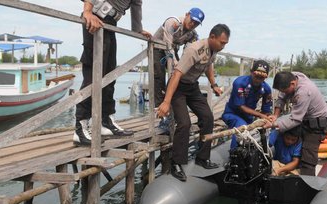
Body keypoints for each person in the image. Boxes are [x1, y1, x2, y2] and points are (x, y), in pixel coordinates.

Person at [156, 24, 229, 181]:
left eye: (225, 44)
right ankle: (176, 163)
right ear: (212, 37)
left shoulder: (213, 50)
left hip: (192, 87)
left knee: (208, 118)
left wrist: (214, 84)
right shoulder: (194, 50)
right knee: (184, 123)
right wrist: (166, 102)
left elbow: (208, 65)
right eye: (222, 42)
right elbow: (176, 75)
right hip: (178, 88)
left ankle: (202, 158)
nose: (223, 46)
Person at [74, 0, 152, 145]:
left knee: (110, 76)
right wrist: (87, 11)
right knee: (93, 76)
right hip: (96, 16)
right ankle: (80, 126)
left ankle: (106, 121)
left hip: (110, 23)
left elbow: (136, 5)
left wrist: (138, 29)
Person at [264, 71, 327, 176]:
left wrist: (272, 124)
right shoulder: (291, 76)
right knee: (281, 132)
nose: (284, 93)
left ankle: (307, 187)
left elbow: (295, 119)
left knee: (308, 158)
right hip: (304, 118)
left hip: (316, 125)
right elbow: (281, 98)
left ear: (293, 84)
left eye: (285, 90)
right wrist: (275, 116)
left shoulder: (304, 91)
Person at [152, 8, 204, 135]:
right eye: (192, 21)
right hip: (158, 48)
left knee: (179, 78)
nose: (193, 24)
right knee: (158, 79)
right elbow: (167, 43)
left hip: (172, 50)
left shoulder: (192, 33)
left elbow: (193, 47)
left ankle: (176, 113)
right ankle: (162, 114)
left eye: (196, 23)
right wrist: (175, 61)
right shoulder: (173, 23)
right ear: (187, 15)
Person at [222, 60, 273, 149]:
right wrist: (261, 115)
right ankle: (234, 157)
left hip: (248, 118)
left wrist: (266, 119)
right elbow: (241, 106)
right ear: (251, 72)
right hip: (232, 114)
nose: (258, 79)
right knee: (242, 127)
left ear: (265, 78)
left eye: (261, 78)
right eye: (256, 76)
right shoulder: (240, 83)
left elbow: (266, 110)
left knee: (260, 132)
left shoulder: (266, 89)